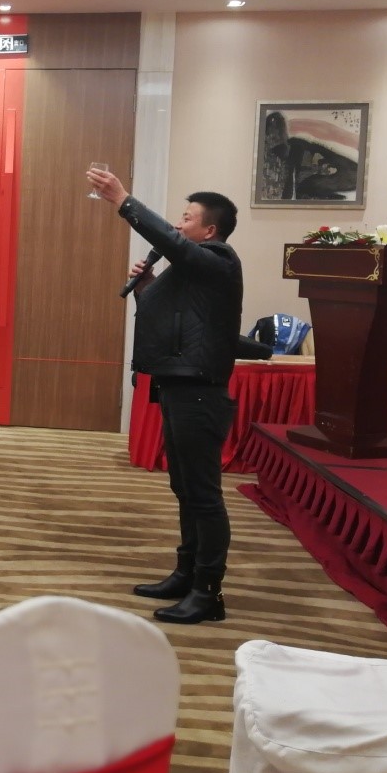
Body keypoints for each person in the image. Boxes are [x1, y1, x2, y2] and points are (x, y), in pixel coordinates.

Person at [86, 166, 242, 626]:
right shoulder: (192, 270)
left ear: (209, 230)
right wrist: (146, 286)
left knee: (203, 494)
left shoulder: (219, 259)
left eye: (187, 218)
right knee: (184, 488)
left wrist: (123, 200)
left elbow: (172, 243)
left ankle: (208, 592)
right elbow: (167, 319)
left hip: (200, 392)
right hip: (178, 385)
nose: (178, 224)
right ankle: (186, 573)